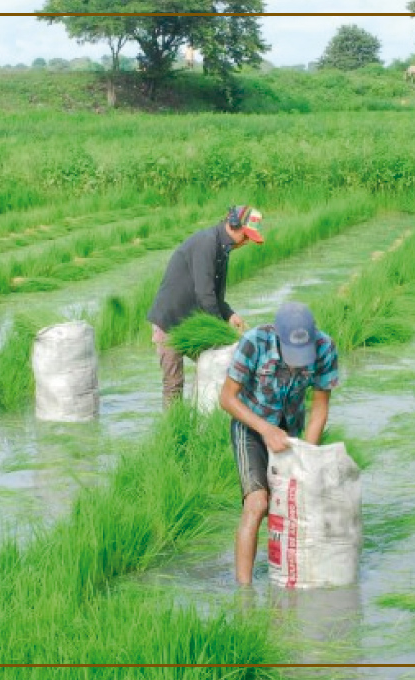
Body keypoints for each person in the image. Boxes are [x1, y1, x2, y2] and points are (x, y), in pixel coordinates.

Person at [219, 301, 339, 586]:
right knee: (257, 504)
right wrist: (265, 428)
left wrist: (307, 455)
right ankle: (244, 592)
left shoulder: (324, 348)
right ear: (278, 337)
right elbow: (227, 398)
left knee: (289, 500)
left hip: (290, 428)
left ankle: (286, 574)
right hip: (251, 425)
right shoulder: (254, 343)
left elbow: (319, 408)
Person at [146, 205, 265, 406]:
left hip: (192, 324)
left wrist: (230, 315)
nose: (245, 243)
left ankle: (202, 417)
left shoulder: (223, 250)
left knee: (213, 368)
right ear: (234, 225)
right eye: (245, 237)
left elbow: (216, 296)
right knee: (174, 383)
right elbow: (204, 294)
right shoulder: (207, 243)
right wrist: (220, 329)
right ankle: (174, 428)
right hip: (170, 322)